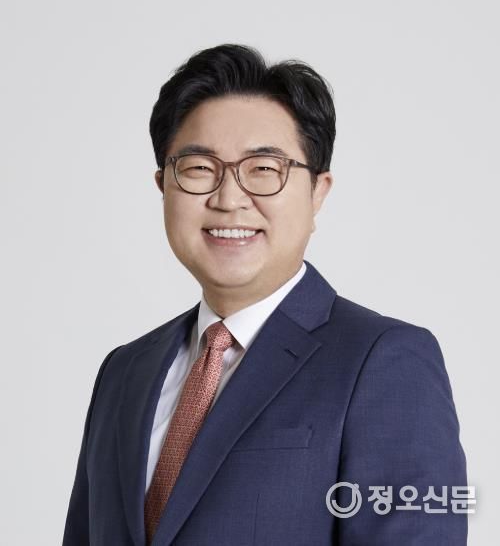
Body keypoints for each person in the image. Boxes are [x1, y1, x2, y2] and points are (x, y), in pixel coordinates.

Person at [63, 43, 468, 545]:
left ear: (318, 191)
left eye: (263, 170)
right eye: (199, 168)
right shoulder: (124, 372)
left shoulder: (387, 362)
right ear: (163, 185)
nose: (229, 198)